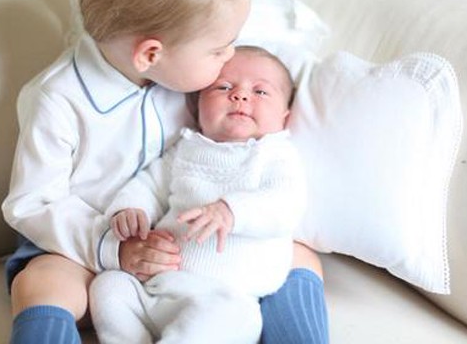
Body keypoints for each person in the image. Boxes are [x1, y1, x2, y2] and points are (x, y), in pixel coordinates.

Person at [2, 0, 328, 344]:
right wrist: (113, 247)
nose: (229, 56)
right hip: (86, 248)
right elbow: (31, 203)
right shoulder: (59, 100)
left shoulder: (188, 72)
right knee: (42, 281)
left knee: (300, 255)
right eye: (219, 49)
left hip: (194, 246)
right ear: (150, 55)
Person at [90, 46, 305, 344]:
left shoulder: (276, 155)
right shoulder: (186, 149)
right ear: (197, 104)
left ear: (285, 116)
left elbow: (286, 205)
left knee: (237, 318)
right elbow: (149, 184)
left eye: (261, 92)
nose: (240, 96)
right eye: (224, 87)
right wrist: (130, 209)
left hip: (225, 296)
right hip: (157, 287)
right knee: (109, 286)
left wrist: (231, 211)